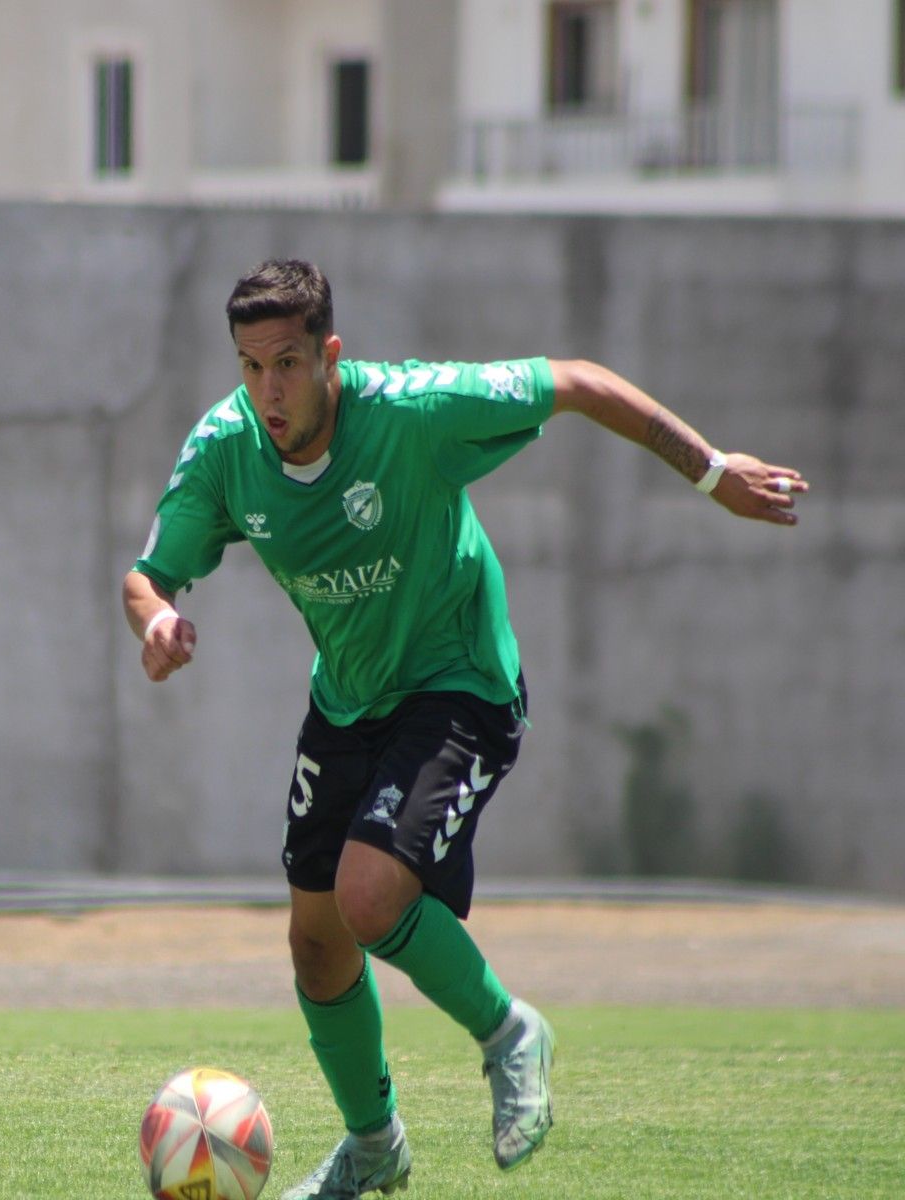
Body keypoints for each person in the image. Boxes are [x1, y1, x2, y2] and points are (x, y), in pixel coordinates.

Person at [122, 259, 804, 1197]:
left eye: (286, 364)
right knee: (315, 944)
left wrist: (713, 472)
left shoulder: (412, 412)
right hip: (347, 700)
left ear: (329, 356)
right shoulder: (225, 449)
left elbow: (578, 382)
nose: (267, 391)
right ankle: (374, 1147)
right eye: (249, 367)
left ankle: (511, 1032)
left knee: (368, 900)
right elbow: (147, 575)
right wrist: (157, 621)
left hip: (462, 684)